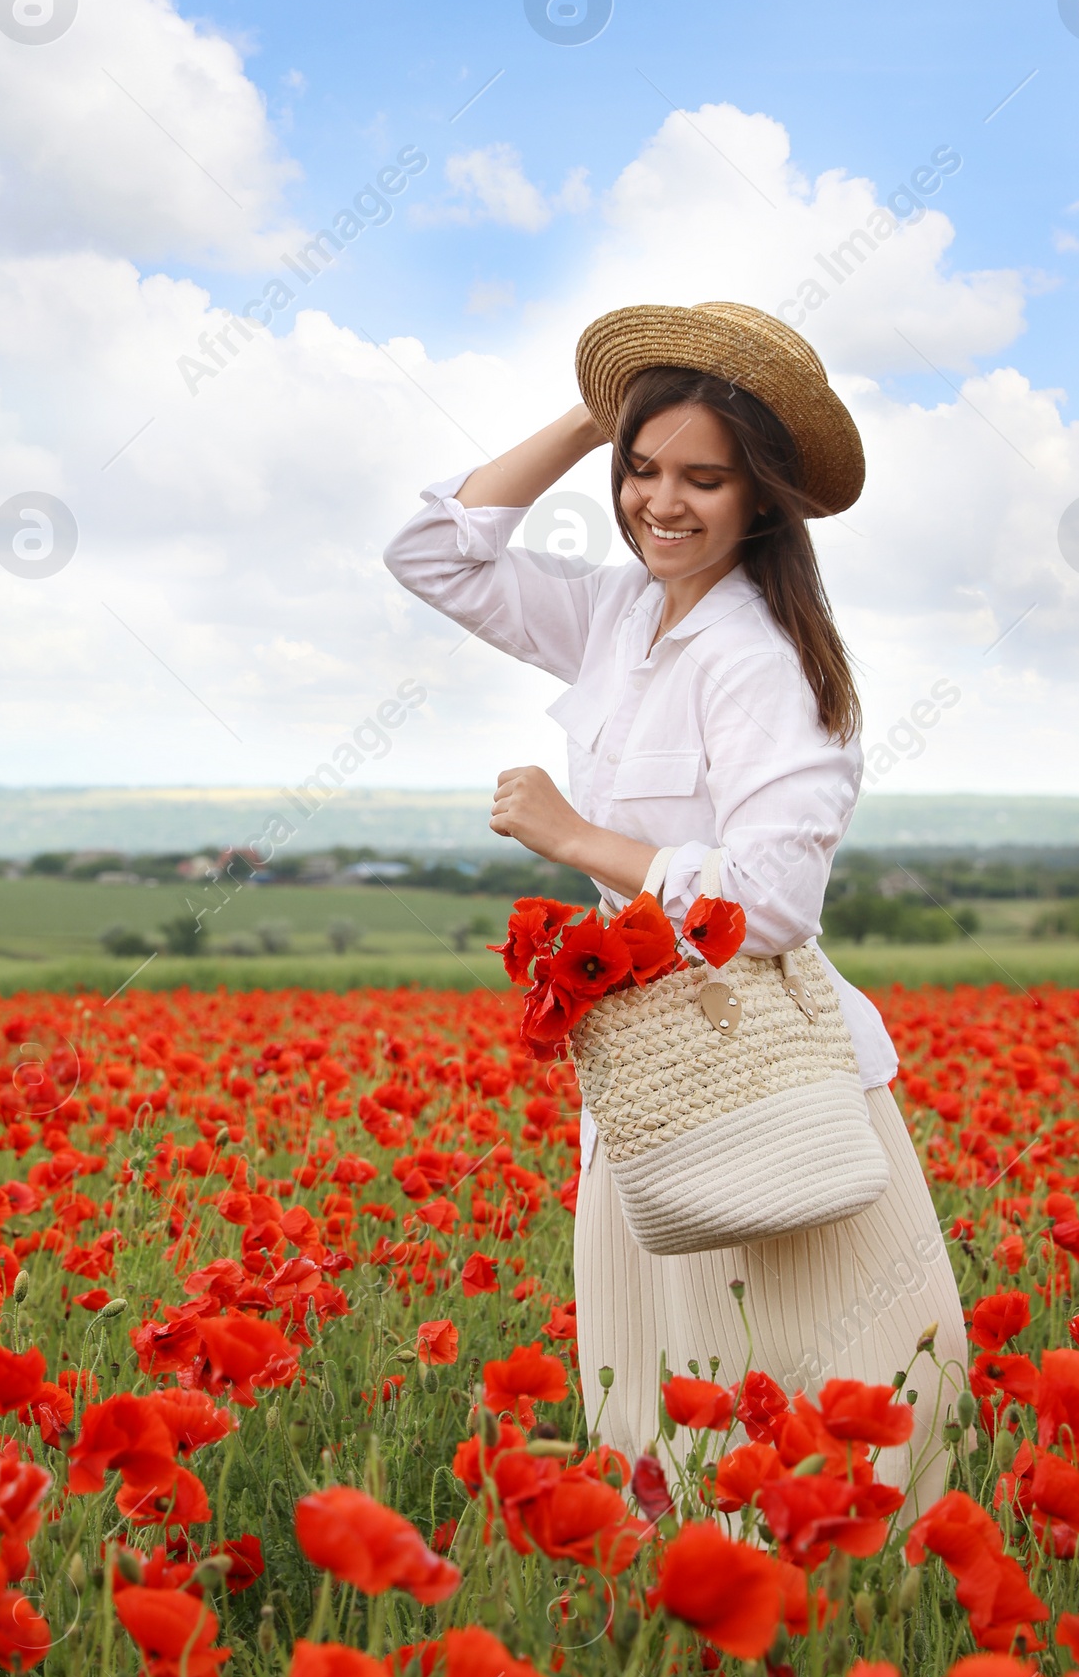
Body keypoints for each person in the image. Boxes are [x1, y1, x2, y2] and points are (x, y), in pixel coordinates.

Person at [383, 300, 968, 1510]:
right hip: (648, 1083)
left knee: (831, 1415)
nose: (661, 502)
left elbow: (774, 902)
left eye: (703, 478)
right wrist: (597, 413)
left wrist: (576, 837)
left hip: (773, 1079)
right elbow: (433, 555)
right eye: (641, 471)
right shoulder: (618, 615)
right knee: (667, 1418)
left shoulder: (759, 659)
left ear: (760, 496)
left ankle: (859, 1663)